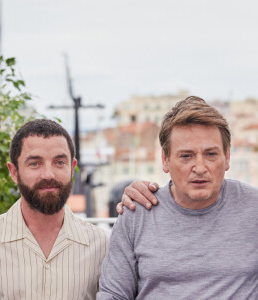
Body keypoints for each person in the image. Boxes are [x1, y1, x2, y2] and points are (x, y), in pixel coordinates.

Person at [97, 96, 258, 299]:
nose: (200, 168)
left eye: (211, 154)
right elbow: (113, 294)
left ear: (227, 157)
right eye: (186, 156)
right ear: (165, 160)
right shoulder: (136, 214)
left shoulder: (254, 209)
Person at [0, 119, 109, 299]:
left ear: (72, 168)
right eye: (35, 163)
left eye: (59, 162)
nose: (48, 174)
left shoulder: (103, 246)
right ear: (14, 172)